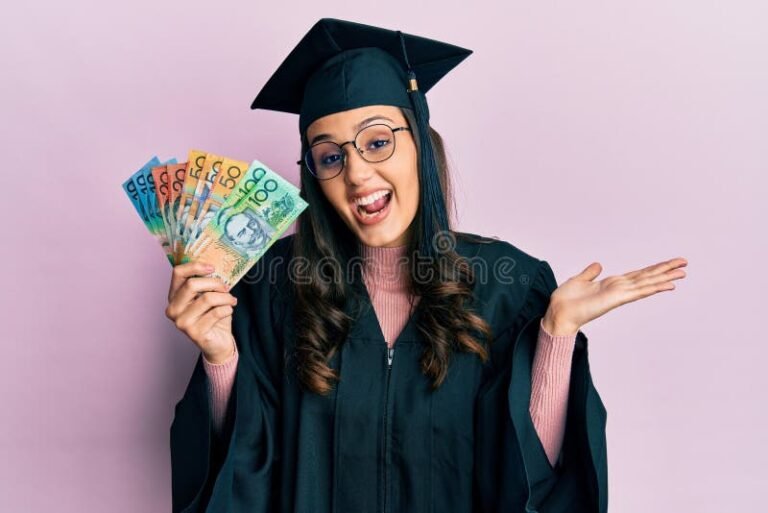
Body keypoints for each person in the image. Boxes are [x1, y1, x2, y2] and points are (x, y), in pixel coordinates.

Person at [165, 18, 687, 513]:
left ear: (420, 142)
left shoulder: (507, 287)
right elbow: (240, 474)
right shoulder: (272, 287)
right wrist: (220, 358)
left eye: (377, 141)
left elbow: (533, 479)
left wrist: (555, 334)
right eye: (330, 156)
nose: (357, 173)